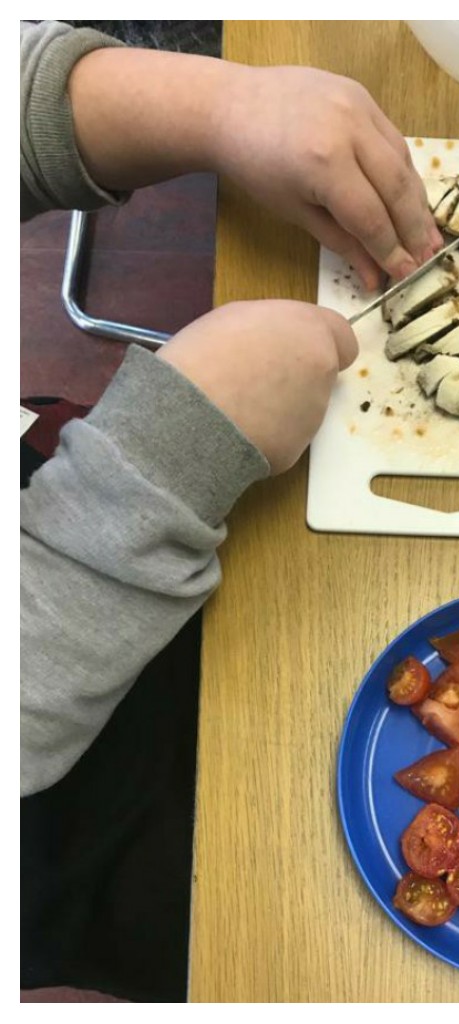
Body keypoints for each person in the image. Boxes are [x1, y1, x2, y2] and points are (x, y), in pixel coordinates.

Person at [20, 20, 437, 999]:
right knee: (285, 904)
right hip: (69, 821)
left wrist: (218, 105)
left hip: (84, 504)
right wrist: (159, 468)